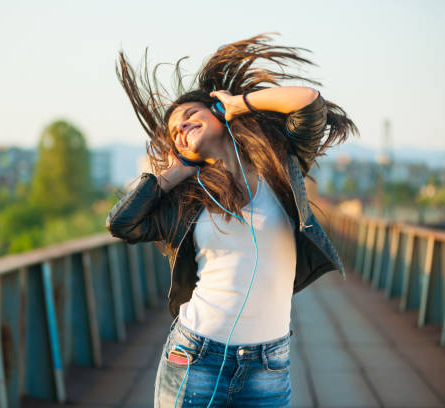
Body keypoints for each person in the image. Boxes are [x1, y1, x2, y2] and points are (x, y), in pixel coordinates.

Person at [107, 34, 358, 407]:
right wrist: (176, 172)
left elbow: (309, 103)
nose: (181, 127)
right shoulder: (186, 199)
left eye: (190, 114)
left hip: (269, 364)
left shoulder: (280, 166)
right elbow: (121, 224)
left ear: (219, 114)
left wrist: (239, 103)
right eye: (174, 131)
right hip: (196, 355)